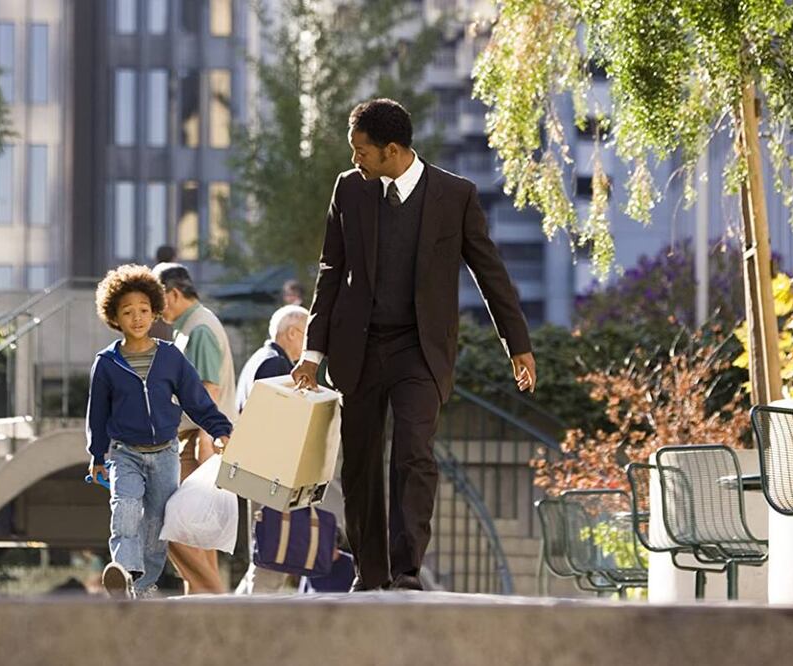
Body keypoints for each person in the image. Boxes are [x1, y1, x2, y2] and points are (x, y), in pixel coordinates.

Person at [292, 99, 536, 592]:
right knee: (360, 464)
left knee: (414, 453)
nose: (355, 159)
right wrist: (312, 353)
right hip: (359, 349)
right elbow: (331, 271)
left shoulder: (455, 195)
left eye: (362, 150)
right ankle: (369, 573)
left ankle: (406, 571)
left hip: (420, 352)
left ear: (392, 150)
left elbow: (489, 272)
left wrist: (517, 344)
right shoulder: (349, 189)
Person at [87, 264, 232, 599]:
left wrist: (220, 430)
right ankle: (123, 571)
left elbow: (197, 400)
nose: (136, 318)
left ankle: (141, 587)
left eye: (143, 310)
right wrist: (97, 455)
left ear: (155, 311)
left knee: (156, 524)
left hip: (166, 454)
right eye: (127, 312)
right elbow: (97, 414)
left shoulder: (170, 358)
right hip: (126, 453)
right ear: (114, 317)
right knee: (125, 508)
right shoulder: (106, 363)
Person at [153, 262, 238, 594]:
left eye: (157, 301)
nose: (155, 311)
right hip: (198, 440)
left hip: (200, 441)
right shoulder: (191, 326)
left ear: (173, 294)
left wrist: (205, 447)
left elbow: (208, 393)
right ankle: (206, 606)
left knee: (171, 521)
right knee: (198, 530)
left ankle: (214, 598)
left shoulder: (199, 328)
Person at [233, 304, 308, 594]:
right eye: (307, 335)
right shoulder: (275, 364)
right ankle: (251, 615)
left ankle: (239, 609)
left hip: (257, 468)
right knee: (274, 554)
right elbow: (275, 421)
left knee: (267, 552)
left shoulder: (259, 359)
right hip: (269, 472)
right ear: (292, 333)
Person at [149, 246, 179, 341]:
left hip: (153, 322)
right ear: (173, 258)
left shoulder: (151, 275)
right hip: (168, 322)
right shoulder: (175, 277)